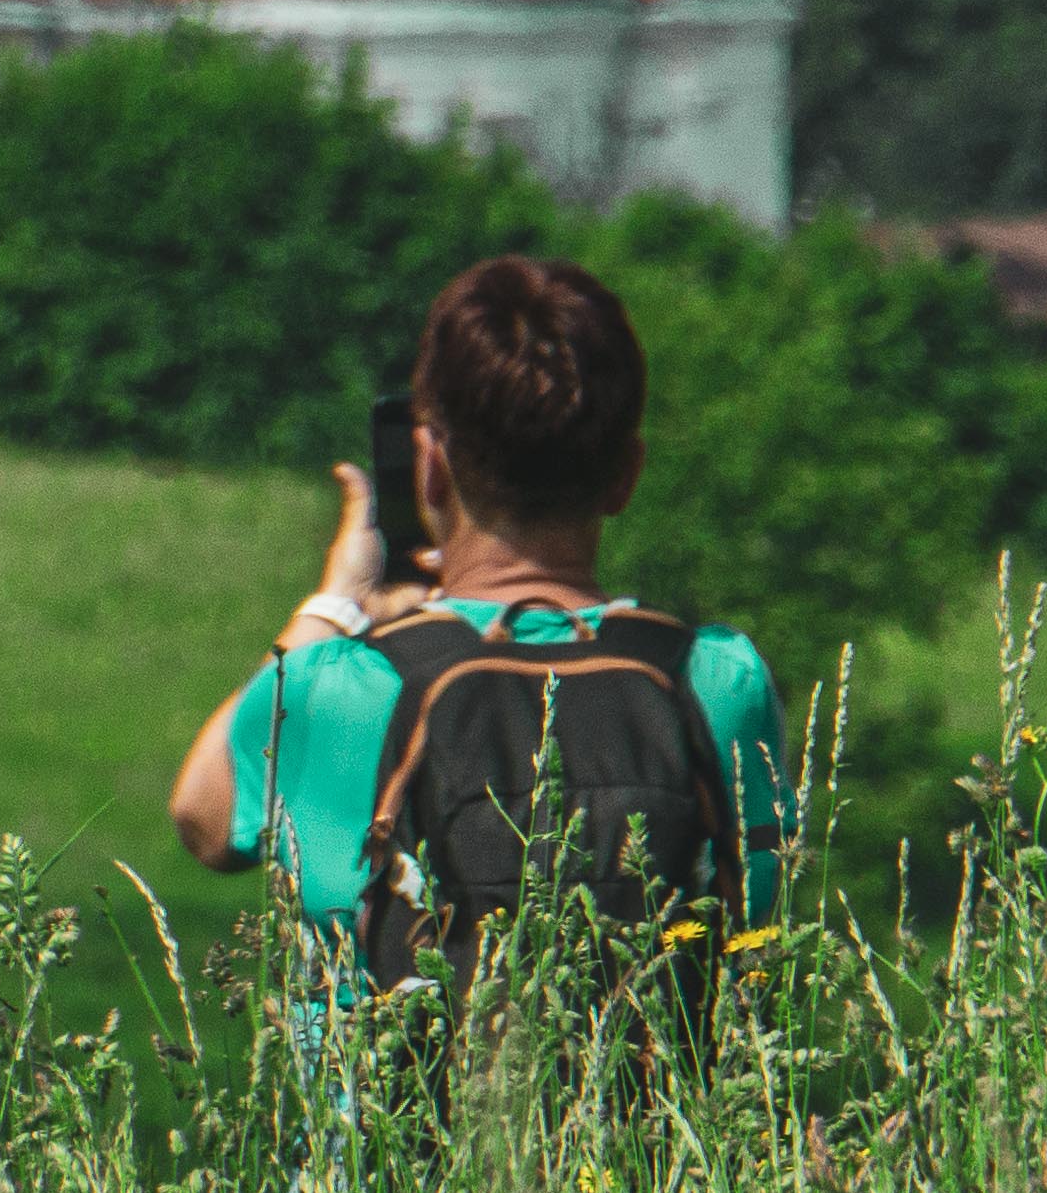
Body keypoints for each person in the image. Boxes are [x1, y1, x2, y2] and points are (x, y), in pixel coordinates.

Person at [160, 256, 794, 1011]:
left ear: (430, 468)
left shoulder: (348, 687)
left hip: (391, 1133)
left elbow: (204, 816)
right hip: (654, 1131)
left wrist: (338, 599)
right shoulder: (715, 681)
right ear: (627, 474)